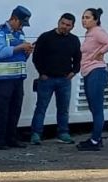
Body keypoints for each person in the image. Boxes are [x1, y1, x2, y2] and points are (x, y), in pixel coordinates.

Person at [29, 13, 81, 145]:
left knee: (63, 109)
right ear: (58, 22)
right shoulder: (46, 37)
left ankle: (63, 133)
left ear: (72, 27)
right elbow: (36, 57)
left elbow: (78, 58)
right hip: (47, 79)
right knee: (41, 107)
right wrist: (41, 73)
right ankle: (36, 134)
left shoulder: (74, 40)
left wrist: (73, 72)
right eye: (63, 23)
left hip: (64, 80)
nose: (64, 27)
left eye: (68, 25)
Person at [0, 5, 34, 149]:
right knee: (2, 110)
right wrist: (20, 47)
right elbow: (0, 52)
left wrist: (27, 52)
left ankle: (11, 138)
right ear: (14, 19)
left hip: (17, 79)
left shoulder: (20, 34)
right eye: (21, 23)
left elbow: (20, 57)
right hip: (2, 80)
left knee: (15, 109)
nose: (22, 26)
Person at [77, 7, 108, 152]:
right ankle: (96, 137)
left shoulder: (97, 32)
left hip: (96, 71)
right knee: (94, 107)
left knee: (97, 107)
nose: (84, 20)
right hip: (89, 71)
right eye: (83, 17)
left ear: (95, 20)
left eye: (88, 17)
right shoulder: (89, 33)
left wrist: (100, 53)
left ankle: (95, 140)